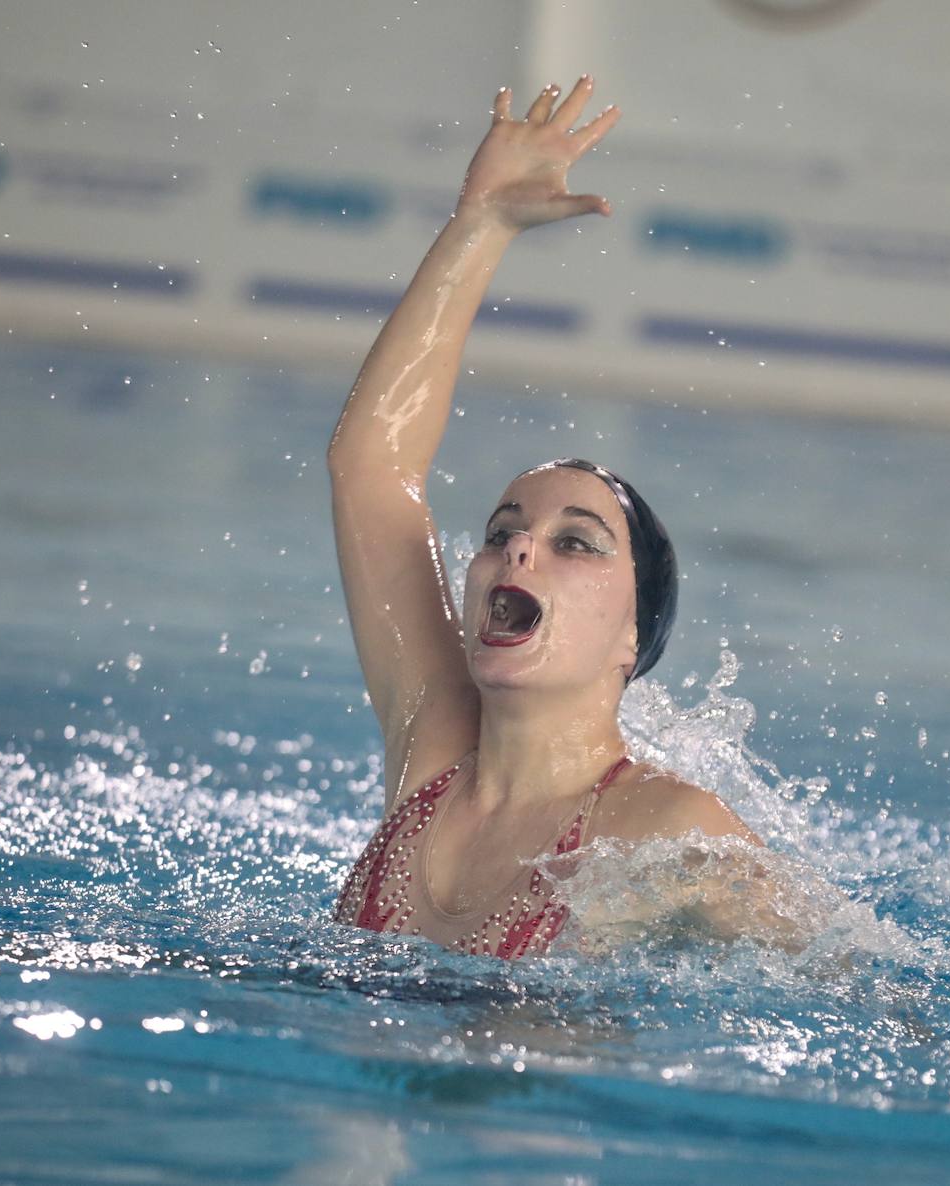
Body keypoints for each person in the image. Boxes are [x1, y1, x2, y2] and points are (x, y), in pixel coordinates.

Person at [329, 78, 821, 959]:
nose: (518, 544)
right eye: (502, 531)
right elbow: (372, 469)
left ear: (631, 638)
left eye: (575, 544)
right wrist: (477, 225)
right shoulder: (431, 751)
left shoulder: (666, 828)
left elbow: (855, 994)